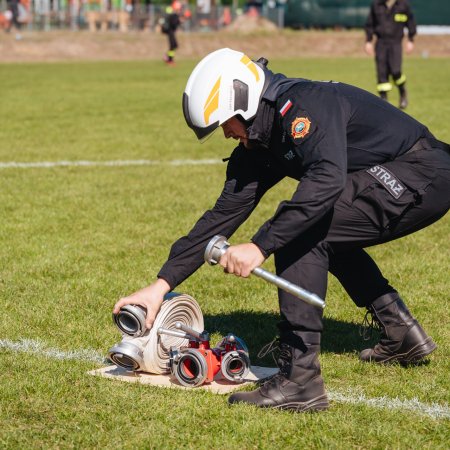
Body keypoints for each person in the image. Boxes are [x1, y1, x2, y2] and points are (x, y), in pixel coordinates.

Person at [114, 49, 450, 412]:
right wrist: (160, 286)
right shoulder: (259, 136)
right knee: (314, 226)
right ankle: (401, 333)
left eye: (225, 122)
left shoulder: (304, 107)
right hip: (408, 174)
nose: (226, 133)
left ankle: (299, 380)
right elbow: (221, 216)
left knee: (298, 231)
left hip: (423, 172)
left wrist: (261, 246)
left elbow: (326, 180)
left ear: (242, 102)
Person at [365, 0, 416, 109]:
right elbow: (370, 24)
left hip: (396, 43)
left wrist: (410, 40)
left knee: (395, 71)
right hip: (381, 43)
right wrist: (368, 41)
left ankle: (402, 92)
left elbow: (411, 22)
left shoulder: (403, 5)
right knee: (382, 73)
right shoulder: (376, 5)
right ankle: (384, 103)